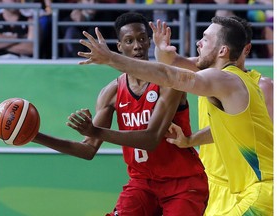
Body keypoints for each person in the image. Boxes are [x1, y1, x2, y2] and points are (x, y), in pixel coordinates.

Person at [77, 15, 273, 215]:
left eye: (205, 39)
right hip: (251, 191)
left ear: (223, 50)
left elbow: (172, 76)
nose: (199, 42)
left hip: (260, 192)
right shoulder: (237, 83)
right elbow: (224, 130)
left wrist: (111, 58)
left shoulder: (224, 79)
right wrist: (189, 141)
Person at [33, 12, 208, 215]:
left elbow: (151, 139)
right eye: (129, 40)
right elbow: (87, 150)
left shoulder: (169, 83)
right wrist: (34, 135)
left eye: (142, 39)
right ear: (119, 47)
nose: (137, 45)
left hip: (182, 183)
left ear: (149, 42)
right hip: (142, 184)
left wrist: (95, 130)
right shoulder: (111, 93)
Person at [152, 16, 273, 215]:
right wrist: (160, 48)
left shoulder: (263, 86)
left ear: (245, 49)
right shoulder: (204, 71)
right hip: (210, 181)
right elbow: (169, 65)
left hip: (248, 185)